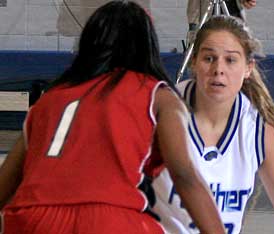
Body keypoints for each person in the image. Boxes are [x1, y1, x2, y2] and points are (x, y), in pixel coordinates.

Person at [0, 1, 226, 233]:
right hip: (108, 220)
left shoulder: (49, 98)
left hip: (28, 218)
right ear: (147, 44)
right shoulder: (158, 96)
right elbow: (184, 175)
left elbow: (6, 181)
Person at [151, 15, 274, 234]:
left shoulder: (260, 129)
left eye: (230, 60)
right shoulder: (162, 110)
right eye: (209, 58)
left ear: (248, 67)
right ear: (193, 61)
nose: (218, 69)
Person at [186, 0, 256, 45]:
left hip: (234, 16)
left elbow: (247, 4)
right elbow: (193, 5)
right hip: (210, 18)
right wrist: (193, 25)